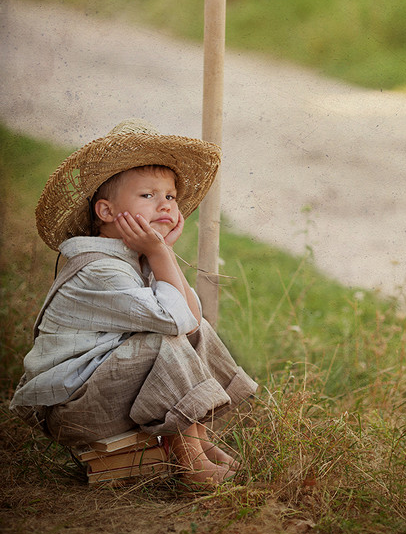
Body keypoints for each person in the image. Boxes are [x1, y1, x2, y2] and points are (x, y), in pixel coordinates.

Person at [10, 119, 257, 486]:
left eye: (170, 196)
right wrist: (159, 253)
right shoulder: (98, 270)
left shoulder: (134, 259)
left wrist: (163, 255)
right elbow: (174, 322)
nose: (165, 205)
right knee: (161, 339)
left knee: (193, 329)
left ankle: (200, 443)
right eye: (148, 195)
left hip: (104, 391)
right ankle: (190, 463)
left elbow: (191, 320)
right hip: (73, 409)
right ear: (107, 213)